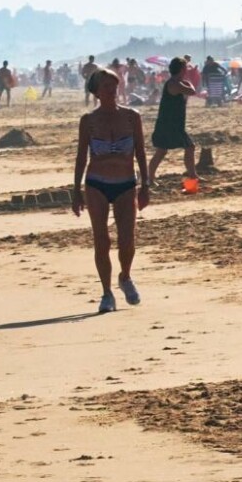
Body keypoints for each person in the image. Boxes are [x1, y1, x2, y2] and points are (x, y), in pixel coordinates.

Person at [72, 69, 150, 313]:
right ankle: (106, 293)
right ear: (96, 91)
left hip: (126, 183)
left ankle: (125, 276)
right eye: (106, 86)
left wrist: (146, 184)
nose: (112, 90)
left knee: (127, 239)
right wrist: (76, 190)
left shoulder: (131, 117)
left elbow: (140, 151)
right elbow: (81, 157)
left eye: (114, 86)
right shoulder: (89, 121)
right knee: (101, 239)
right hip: (97, 183)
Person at [146, 57, 198, 184]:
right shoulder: (174, 84)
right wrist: (189, 80)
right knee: (166, 151)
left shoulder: (176, 82)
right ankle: (149, 178)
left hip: (172, 123)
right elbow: (192, 91)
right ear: (181, 69)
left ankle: (192, 175)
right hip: (169, 124)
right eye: (185, 68)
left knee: (181, 148)